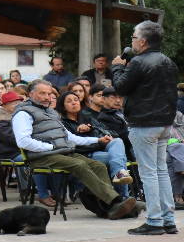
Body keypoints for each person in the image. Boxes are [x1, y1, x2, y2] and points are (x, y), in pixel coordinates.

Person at [13, 80, 137, 220]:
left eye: (49, 93)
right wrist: (51, 147)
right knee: (80, 165)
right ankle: (115, 202)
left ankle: (108, 207)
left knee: (98, 166)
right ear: (31, 94)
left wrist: (96, 140)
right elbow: (23, 141)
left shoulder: (51, 112)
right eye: (42, 93)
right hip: (41, 156)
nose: (47, 97)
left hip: (62, 152)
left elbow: (69, 136)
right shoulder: (23, 113)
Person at [112, 20, 180, 235]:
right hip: (164, 122)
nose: (131, 41)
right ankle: (168, 219)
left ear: (142, 41)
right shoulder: (169, 62)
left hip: (144, 123)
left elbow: (121, 86)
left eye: (133, 37)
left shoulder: (139, 62)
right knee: (161, 171)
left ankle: (154, 221)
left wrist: (116, 67)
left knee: (149, 173)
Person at [57, 91, 133, 198]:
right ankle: (123, 196)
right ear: (63, 106)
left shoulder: (87, 118)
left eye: (76, 100)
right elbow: (73, 146)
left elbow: (113, 134)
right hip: (85, 155)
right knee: (119, 159)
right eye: (69, 101)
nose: (74, 103)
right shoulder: (62, 124)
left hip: (99, 150)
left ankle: (119, 180)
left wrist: (92, 128)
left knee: (117, 142)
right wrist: (99, 143)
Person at [95, 87, 133, 157]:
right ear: (103, 99)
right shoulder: (104, 117)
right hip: (124, 150)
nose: (118, 100)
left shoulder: (122, 112)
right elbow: (121, 136)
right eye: (113, 97)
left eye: (120, 97)